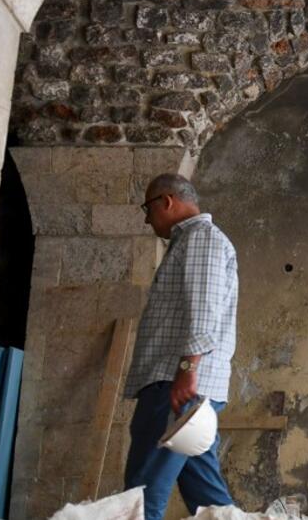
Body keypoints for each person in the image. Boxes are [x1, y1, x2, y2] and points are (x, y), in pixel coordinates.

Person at [123, 173, 238, 520]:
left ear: (167, 201)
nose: (146, 219)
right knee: (208, 500)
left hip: (177, 385)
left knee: (142, 496)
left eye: (148, 208)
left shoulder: (201, 239)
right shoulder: (194, 241)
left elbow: (204, 309)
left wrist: (187, 371)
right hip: (188, 387)